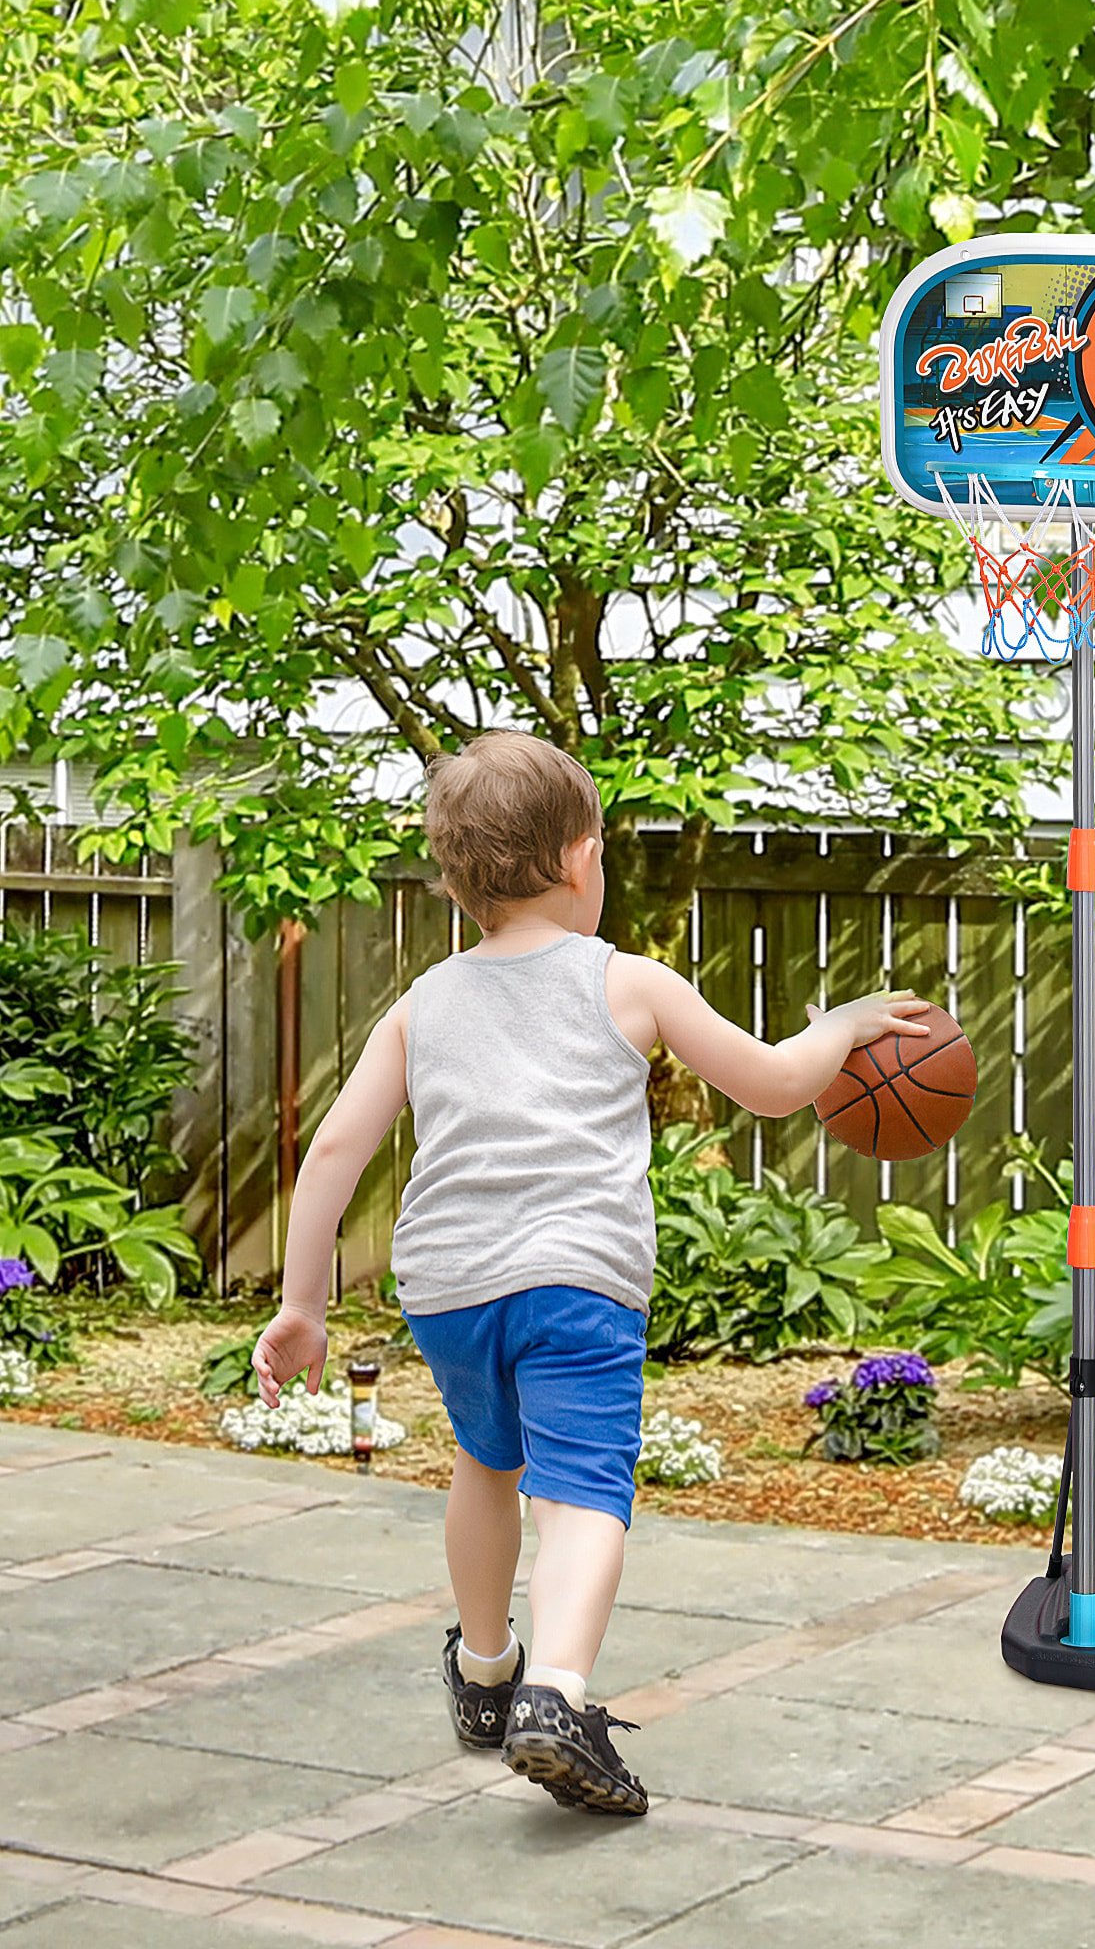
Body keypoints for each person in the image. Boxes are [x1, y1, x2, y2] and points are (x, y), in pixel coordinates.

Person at [248, 730, 929, 1816]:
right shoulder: (627, 980)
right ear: (579, 859)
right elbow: (768, 1084)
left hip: (450, 1287)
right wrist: (841, 1026)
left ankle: (485, 1674)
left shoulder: (424, 1002)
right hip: (576, 1280)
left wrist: (301, 1303)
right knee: (582, 1492)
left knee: (486, 1461)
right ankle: (556, 1697)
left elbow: (332, 1150)